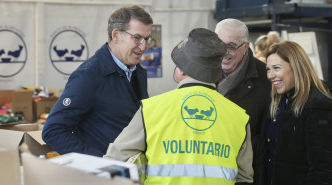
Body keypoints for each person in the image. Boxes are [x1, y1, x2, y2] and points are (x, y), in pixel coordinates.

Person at [104, 28, 254, 185]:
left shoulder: (151, 109)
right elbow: (244, 179)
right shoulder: (239, 117)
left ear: (182, 70)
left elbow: (114, 162)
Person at [42, 5, 153, 157]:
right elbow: (53, 131)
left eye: (146, 39)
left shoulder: (139, 72)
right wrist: (100, 161)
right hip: (104, 176)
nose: (144, 46)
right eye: (137, 38)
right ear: (116, 35)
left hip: (131, 173)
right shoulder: (88, 76)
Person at [255, 40, 332, 185]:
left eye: (276, 68)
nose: (270, 75)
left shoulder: (317, 107)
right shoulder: (276, 103)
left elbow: (322, 169)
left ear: (296, 67)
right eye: (268, 69)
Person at [214, 18, 271, 175]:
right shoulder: (204, 73)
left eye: (231, 47)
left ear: (246, 47)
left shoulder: (267, 80)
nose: (223, 52)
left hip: (247, 172)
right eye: (219, 45)